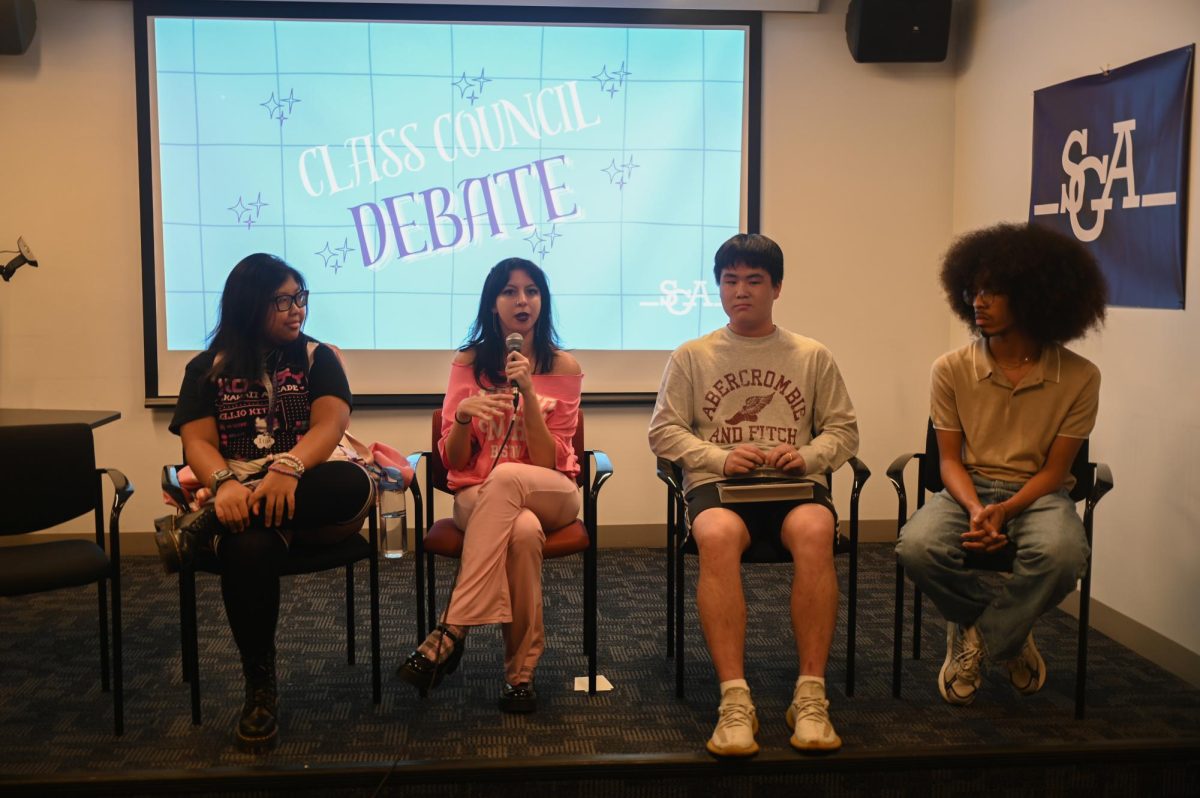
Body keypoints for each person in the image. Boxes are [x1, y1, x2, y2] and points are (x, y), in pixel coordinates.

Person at [648, 233, 859, 757]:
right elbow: (664, 432)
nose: (740, 291)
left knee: (816, 530)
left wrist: (808, 457)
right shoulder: (691, 356)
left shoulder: (811, 356)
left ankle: (810, 695)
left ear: (777, 288)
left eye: (754, 281)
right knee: (716, 535)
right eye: (730, 280)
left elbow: (844, 432)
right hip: (720, 489)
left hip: (795, 487)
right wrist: (719, 457)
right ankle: (734, 698)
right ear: (718, 287)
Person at [159, 253, 374, 752]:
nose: (296, 309)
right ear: (250, 304)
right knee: (247, 551)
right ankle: (259, 690)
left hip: (312, 496)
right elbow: (198, 443)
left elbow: (330, 425)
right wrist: (224, 484)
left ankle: (203, 522)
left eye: (300, 297)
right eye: (282, 300)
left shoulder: (319, 359)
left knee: (351, 484)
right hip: (248, 505)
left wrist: (288, 468)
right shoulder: (205, 368)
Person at [895, 222, 1107, 707]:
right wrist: (975, 508)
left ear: (1035, 296)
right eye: (974, 290)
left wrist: (1006, 510)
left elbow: (1056, 472)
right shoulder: (951, 368)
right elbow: (947, 460)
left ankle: (988, 639)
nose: (978, 301)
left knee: (1064, 556)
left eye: (994, 291)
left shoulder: (1079, 376)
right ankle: (1006, 633)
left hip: (1038, 493)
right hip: (965, 487)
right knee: (916, 547)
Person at [397, 257, 582, 713]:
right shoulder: (469, 362)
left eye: (532, 290)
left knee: (508, 476)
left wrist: (531, 398)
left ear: (543, 299)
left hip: (550, 491)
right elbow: (453, 461)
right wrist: (460, 419)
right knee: (520, 532)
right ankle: (520, 676)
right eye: (509, 291)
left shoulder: (562, 364)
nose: (522, 301)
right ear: (492, 302)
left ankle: (452, 628)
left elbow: (548, 459)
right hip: (478, 497)